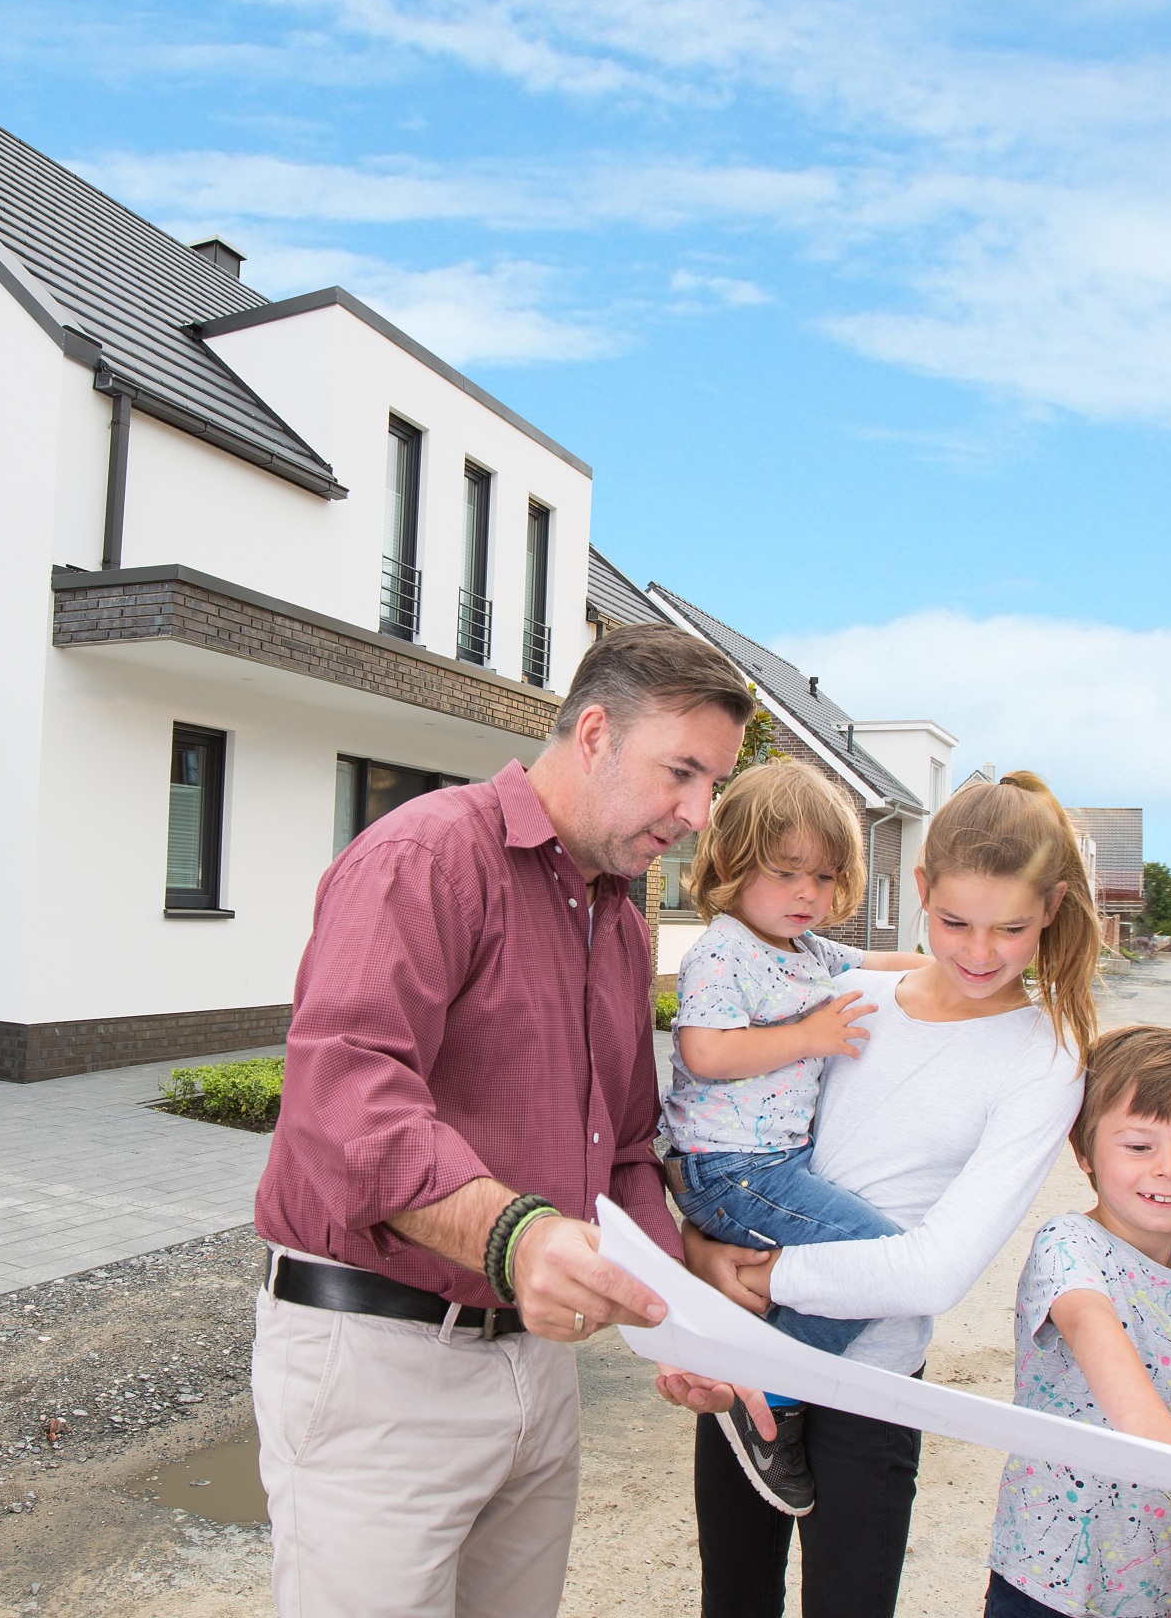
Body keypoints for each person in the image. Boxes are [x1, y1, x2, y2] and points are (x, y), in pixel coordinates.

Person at [248, 623, 755, 1618]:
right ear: (597, 732)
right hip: (378, 1366)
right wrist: (514, 1235)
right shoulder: (426, 854)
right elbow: (341, 1097)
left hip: (535, 1370)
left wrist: (680, 1314)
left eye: (712, 785)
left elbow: (629, 1158)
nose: (697, 814)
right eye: (682, 773)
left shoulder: (617, 917)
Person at [670, 773, 1098, 1618]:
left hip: (870, 1382)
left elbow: (935, 1273)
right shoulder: (842, 996)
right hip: (749, 1369)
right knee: (733, 1602)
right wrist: (696, 1252)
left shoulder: (1047, 1055)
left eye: (1011, 928)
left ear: (1050, 909)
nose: (979, 953)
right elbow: (737, 1145)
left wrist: (761, 1280)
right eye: (954, 923)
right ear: (921, 892)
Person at [661, 757, 929, 1516]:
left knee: (865, 1263)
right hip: (730, 1169)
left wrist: (973, 969)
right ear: (732, 866)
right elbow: (704, 1052)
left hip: (771, 1167)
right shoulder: (722, 948)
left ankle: (762, 1372)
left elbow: (888, 965)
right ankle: (766, 1393)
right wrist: (809, 1035)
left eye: (824, 876)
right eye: (786, 873)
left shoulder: (812, 953)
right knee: (879, 1257)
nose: (808, 893)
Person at [986, 1025, 1171, 1618]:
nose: (1169, 1168)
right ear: (1083, 1152)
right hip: (1051, 1582)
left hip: (1167, 1593)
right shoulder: (1069, 1245)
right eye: (1139, 1145)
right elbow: (1096, 1331)